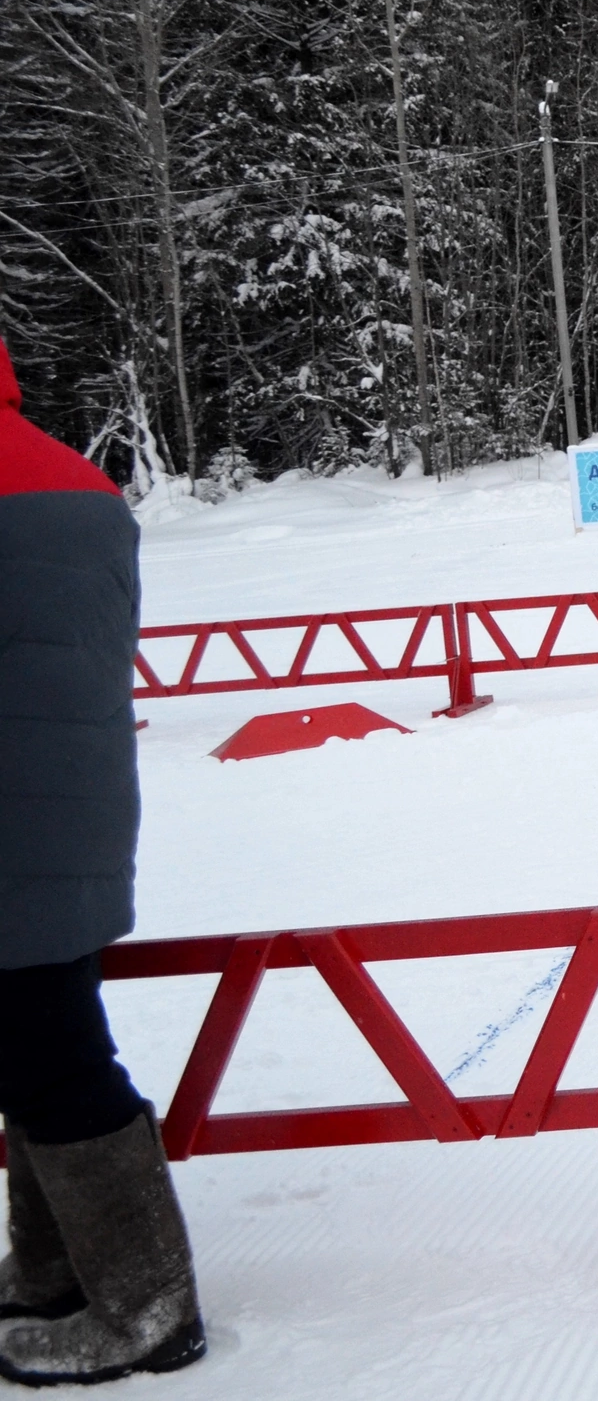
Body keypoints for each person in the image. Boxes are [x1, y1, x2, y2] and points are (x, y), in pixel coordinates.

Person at [0, 333, 207, 1384]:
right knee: (37, 1040)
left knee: (51, 1050)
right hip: (69, 812)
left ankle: (142, 1305)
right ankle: (56, 1271)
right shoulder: (70, 478)